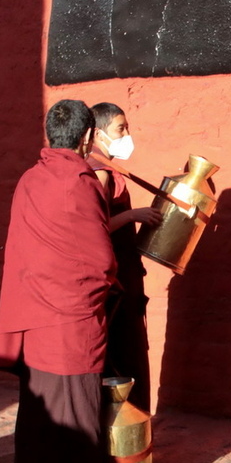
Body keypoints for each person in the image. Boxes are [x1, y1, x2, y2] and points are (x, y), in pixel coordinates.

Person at [0, 99, 118, 463]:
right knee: (74, 410)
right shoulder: (80, 182)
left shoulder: (30, 178)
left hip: (33, 312)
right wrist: (107, 285)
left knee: (38, 405)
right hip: (70, 319)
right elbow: (100, 258)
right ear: (86, 138)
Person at [87, 103, 162, 413]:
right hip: (114, 278)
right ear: (98, 133)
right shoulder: (99, 171)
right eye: (121, 129)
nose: (127, 135)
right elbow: (95, 225)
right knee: (122, 351)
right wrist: (132, 215)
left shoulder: (110, 168)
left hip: (126, 271)